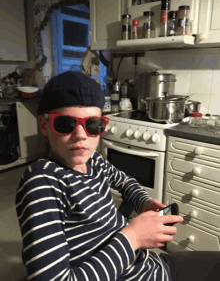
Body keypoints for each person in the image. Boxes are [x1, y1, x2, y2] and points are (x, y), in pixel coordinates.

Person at [16, 71, 220, 281]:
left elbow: (124, 181)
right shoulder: (43, 182)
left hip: (151, 265)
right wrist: (133, 237)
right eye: (65, 124)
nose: (80, 135)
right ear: (44, 125)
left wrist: (143, 202)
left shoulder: (93, 160)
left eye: (92, 124)